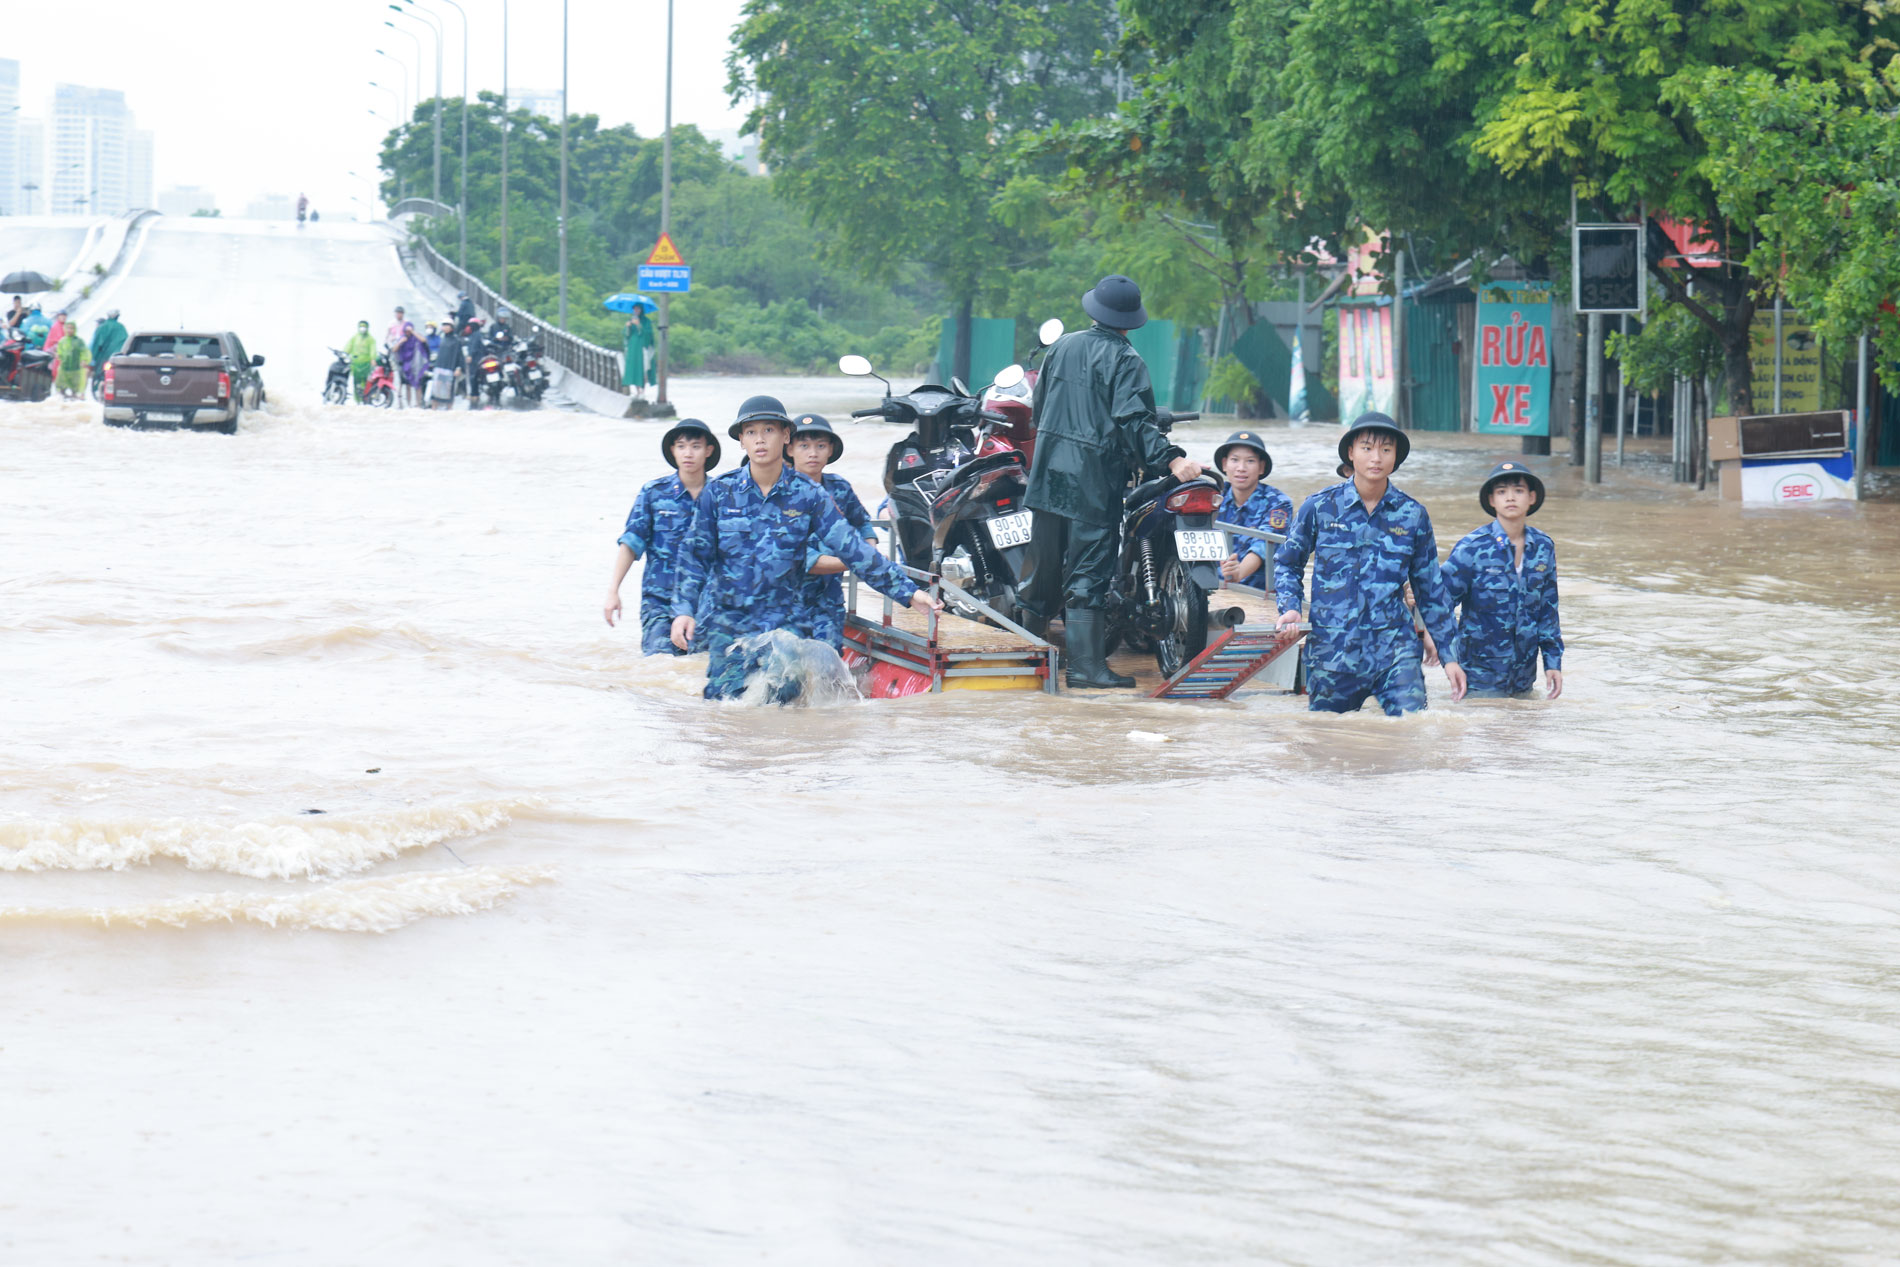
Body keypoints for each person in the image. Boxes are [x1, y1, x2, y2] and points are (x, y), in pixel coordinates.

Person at [669, 395, 942, 700]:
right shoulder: (719, 493)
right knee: (727, 716)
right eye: (751, 432)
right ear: (741, 441)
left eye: (769, 431)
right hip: (731, 628)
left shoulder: (808, 495)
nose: (760, 440)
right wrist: (683, 611)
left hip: (787, 630)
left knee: (784, 716)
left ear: (786, 437)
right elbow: (694, 556)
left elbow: (853, 549)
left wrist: (908, 591)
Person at [1020, 274, 1201, 688]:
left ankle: (1031, 659)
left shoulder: (1062, 346)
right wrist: (1171, 459)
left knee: (1043, 567)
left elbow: (1040, 407)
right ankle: (1085, 669)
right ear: (1131, 320)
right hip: (1092, 481)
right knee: (1088, 571)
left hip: (1048, 475)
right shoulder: (1127, 360)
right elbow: (1133, 420)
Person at [1273, 412, 1467, 715]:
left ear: (1396, 457)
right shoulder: (1321, 506)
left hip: (1395, 652)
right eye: (1367, 448)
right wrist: (1290, 607)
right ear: (1351, 452)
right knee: (1329, 742)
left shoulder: (1413, 515)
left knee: (1410, 733)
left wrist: (1450, 656)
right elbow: (1287, 564)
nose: (1376, 458)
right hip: (1333, 653)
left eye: (1386, 449)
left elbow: (1431, 590)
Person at [1440, 462, 1564, 700]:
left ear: (1532, 497)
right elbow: (1440, 604)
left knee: (1521, 735)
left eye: (1518, 491)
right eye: (1501, 492)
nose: (1510, 498)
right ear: (1491, 500)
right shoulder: (1472, 547)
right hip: (1477, 681)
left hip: (1523, 680)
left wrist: (1553, 662)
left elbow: (1548, 611)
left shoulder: (1543, 547)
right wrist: (1449, 658)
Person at [605, 418, 723, 654]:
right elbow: (631, 543)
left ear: (708, 450)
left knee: (699, 671)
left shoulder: (722, 495)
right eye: (681, 446)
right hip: (659, 601)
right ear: (672, 450)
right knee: (660, 666)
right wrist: (613, 590)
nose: (688, 453)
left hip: (706, 603)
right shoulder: (654, 493)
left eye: (695, 446)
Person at [785, 413, 879, 649]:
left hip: (828, 598)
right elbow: (801, 558)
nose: (813, 453)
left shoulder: (839, 487)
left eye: (820, 446)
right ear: (789, 450)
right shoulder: (779, 492)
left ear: (830, 450)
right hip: (786, 602)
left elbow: (862, 523)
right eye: (804, 446)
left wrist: (869, 547)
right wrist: (860, 560)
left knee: (827, 666)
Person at [1212, 430, 1293, 591]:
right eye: (1234, 460)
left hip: (1263, 590)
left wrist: (1238, 573)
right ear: (1224, 464)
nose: (1241, 468)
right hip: (1217, 584)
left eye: (1250, 461)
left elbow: (1263, 545)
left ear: (1261, 467)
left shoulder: (1278, 503)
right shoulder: (1213, 497)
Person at [394, 321, 430, 408]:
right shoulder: (402, 338)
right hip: (406, 366)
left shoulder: (416, 337)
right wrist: (400, 342)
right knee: (408, 386)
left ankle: (418, 404)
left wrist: (413, 332)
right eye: (406, 331)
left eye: (409, 331)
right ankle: (408, 405)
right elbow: (394, 350)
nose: (407, 332)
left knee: (418, 385)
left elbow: (424, 340)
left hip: (417, 365)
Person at [623, 307, 655, 400]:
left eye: (638, 309)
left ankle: (642, 391)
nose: (636, 311)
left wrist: (639, 325)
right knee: (634, 369)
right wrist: (628, 327)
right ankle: (637, 391)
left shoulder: (646, 321)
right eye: (634, 309)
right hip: (633, 349)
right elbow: (626, 335)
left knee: (643, 369)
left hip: (642, 348)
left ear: (641, 310)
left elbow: (648, 334)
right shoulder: (631, 320)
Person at [51, 324, 90, 399]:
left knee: (75, 390)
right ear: (65, 329)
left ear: (75, 330)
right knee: (60, 389)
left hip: (76, 369)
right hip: (64, 368)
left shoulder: (79, 341)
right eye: (68, 328)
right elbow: (59, 351)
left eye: (71, 328)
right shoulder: (62, 341)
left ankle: (75, 398)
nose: (69, 330)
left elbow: (84, 351)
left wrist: (84, 360)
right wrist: (58, 355)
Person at [344, 320, 377, 403]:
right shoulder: (355, 337)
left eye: (364, 326)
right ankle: (357, 402)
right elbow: (348, 347)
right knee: (356, 383)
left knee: (365, 383)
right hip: (355, 364)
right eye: (361, 326)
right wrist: (344, 354)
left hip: (366, 365)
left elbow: (373, 350)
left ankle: (365, 400)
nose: (362, 328)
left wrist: (373, 359)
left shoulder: (371, 339)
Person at [89, 308, 128, 376]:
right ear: (117, 316)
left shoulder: (101, 328)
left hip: (102, 359)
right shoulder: (121, 328)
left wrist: (93, 359)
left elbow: (96, 345)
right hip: (116, 359)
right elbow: (126, 344)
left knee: (100, 378)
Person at [43, 310, 68, 379]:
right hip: (52, 348)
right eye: (62, 316)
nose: (63, 317)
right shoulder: (56, 326)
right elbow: (57, 340)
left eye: (64, 316)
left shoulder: (64, 326)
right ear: (58, 317)